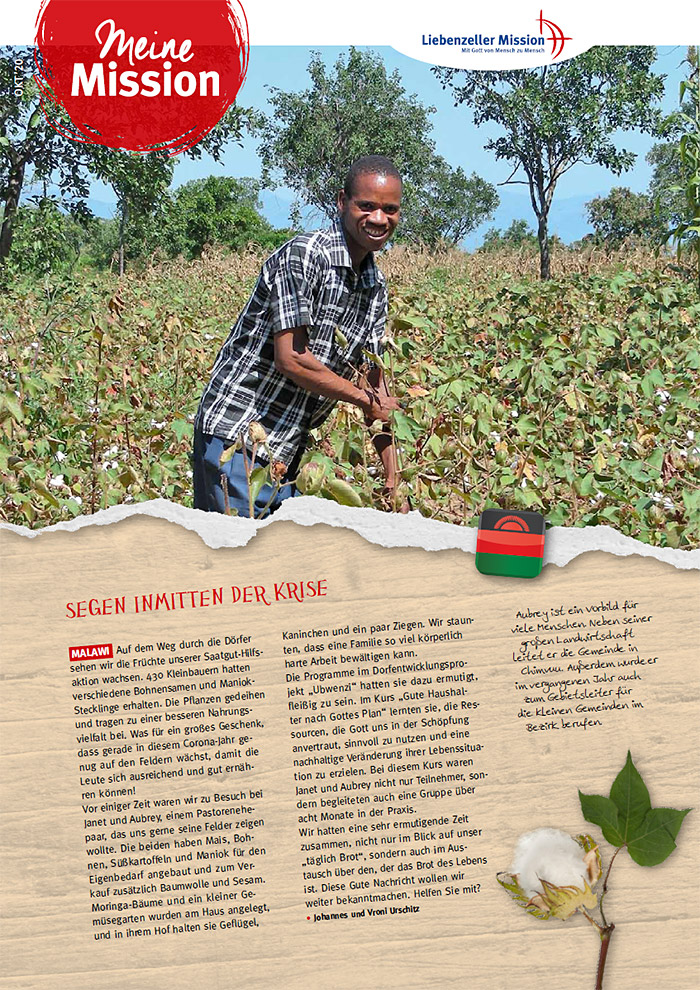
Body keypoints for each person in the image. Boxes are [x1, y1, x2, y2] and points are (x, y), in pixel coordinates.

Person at [192, 155, 405, 517]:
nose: (379, 219)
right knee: (237, 559)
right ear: (342, 202)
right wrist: (365, 401)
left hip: (284, 450)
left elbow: (375, 386)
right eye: (366, 206)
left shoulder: (375, 287)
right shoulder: (304, 256)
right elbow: (291, 359)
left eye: (390, 209)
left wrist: (394, 481)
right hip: (238, 433)